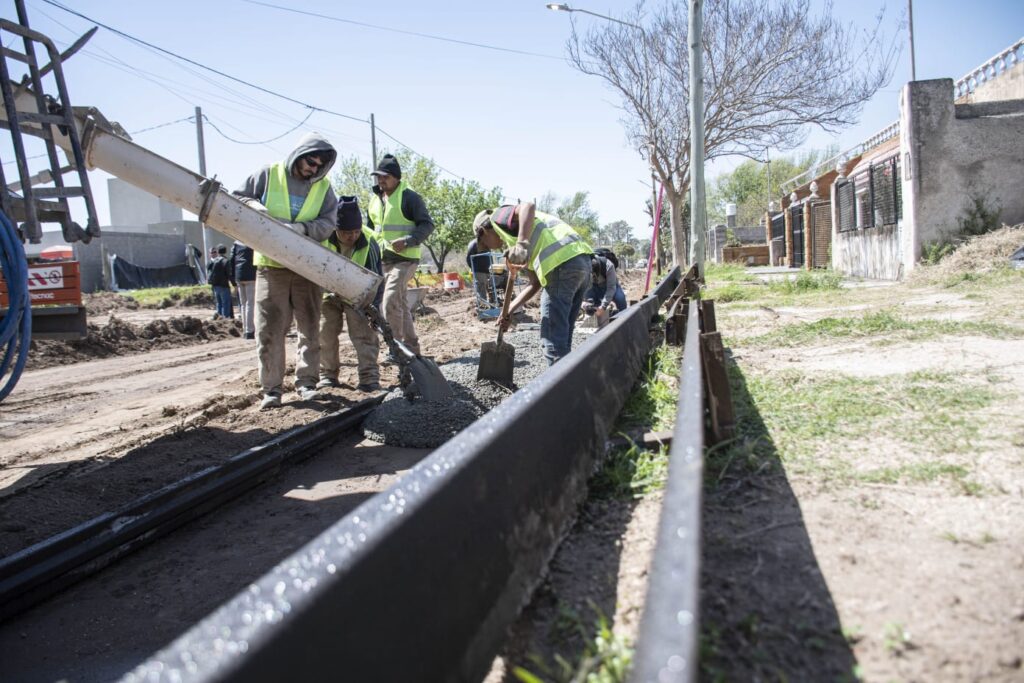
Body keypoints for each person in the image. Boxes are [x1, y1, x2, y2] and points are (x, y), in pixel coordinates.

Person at [233, 133, 338, 410]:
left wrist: (302, 229)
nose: (313, 169)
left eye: (319, 166)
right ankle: (272, 390)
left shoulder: (323, 187)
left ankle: (307, 383)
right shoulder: (268, 175)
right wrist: (255, 207)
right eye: (310, 162)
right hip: (271, 266)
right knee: (269, 330)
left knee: (310, 329)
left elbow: (329, 223)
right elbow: (238, 198)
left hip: (307, 268)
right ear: (299, 155)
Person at [472, 202, 592, 365]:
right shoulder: (516, 236)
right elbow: (534, 283)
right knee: (562, 337)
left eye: (485, 244)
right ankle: (571, 376)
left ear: (483, 231)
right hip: (581, 262)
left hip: (561, 265)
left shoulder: (496, 218)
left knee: (553, 341)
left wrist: (522, 244)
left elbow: (527, 206)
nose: (490, 248)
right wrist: (509, 309)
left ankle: (561, 380)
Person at [366, 154, 434, 356]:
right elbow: (369, 232)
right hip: (383, 260)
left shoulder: (409, 197)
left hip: (405, 259)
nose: (381, 180)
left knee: (389, 301)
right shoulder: (374, 200)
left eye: (385, 176)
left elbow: (427, 225)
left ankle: (395, 349)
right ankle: (412, 349)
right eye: (378, 176)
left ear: (396, 177)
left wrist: (407, 241)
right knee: (400, 305)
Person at [317, 196, 384, 393]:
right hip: (328, 293)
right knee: (325, 334)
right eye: (347, 233)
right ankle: (328, 376)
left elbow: (377, 279)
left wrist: (374, 308)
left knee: (364, 335)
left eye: (356, 231)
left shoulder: (369, 242)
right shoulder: (323, 237)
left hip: (358, 295)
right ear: (336, 229)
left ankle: (369, 378)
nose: (352, 236)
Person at [583, 251, 627, 315]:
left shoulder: (608, 266)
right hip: (594, 287)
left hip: (610, 286)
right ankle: (599, 314)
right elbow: (584, 287)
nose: (593, 276)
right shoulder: (584, 268)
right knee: (591, 307)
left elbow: (611, 288)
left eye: (595, 275)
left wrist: (603, 306)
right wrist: (585, 302)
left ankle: (624, 314)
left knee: (620, 298)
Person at [229, 240, 257, 339]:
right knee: (250, 304)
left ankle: (245, 329)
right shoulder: (253, 242)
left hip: (239, 276)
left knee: (243, 304)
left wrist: (233, 279)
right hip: (251, 275)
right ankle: (250, 331)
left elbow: (231, 260)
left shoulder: (236, 244)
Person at [466, 236, 501, 306]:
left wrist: (492, 266)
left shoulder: (486, 242)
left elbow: (490, 256)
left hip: (489, 270)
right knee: (481, 289)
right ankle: (483, 306)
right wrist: (473, 268)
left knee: (492, 287)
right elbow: (469, 258)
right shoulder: (474, 244)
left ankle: (494, 303)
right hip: (479, 271)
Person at [207, 244, 234, 320]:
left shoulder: (213, 261)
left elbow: (209, 271)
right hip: (224, 285)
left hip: (215, 285)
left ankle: (218, 318)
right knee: (226, 303)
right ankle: (225, 318)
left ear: (218, 252)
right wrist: (234, 284)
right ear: (225, 251)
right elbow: (229, 274)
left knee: (219, 303)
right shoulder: (225, 261)